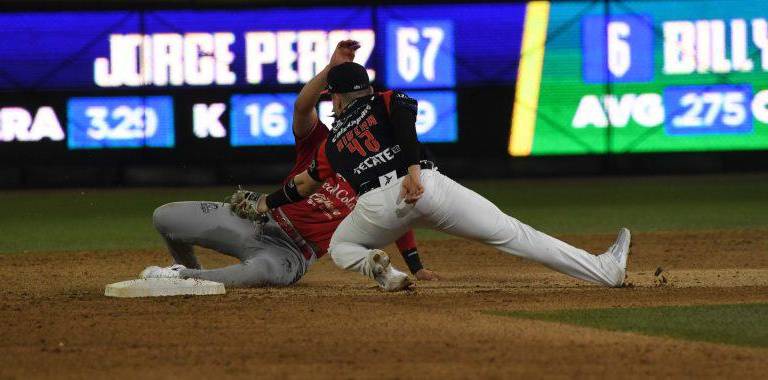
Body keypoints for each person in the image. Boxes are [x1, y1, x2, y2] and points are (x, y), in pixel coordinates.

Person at [248, 61, 631, 291]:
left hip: (377, 206)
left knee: (344, 247)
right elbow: (404, 125)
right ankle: (604, 271)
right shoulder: (386, 99)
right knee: (513, 233)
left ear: (337, 97)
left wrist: (266, 201)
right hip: (426, 186)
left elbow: (303, 185)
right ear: (363, 88)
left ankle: (385, 273)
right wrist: (413, 169)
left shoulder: (331, 146)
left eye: (332, 96)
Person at [140, 41, 438, 288]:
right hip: (255, 221)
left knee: (258, 273)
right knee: (164, 217)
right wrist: (329, 70)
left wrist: (416, 266)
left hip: (292, 252)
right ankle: (186, 269)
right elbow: (301, 108)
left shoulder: (381, 167)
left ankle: (183, 279)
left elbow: (396, 217)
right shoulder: (321, 141)